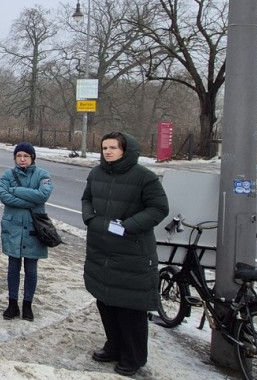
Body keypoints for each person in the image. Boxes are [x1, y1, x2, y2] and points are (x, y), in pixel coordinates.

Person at [82, 132, 168, 377]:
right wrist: (89, 217)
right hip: (101, 248)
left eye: (113, 148)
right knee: (105, 301)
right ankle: (114, 346)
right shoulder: (96, 173)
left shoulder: (145, 177)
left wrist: (128, 226)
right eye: (104, 148)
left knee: (130, 307)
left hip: (132, 252)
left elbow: (159, 208)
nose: (107, 152)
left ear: (126, 150)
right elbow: (86, 199)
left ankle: (133, 356)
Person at [0, 142, 54, 321]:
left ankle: (27, 304)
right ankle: (12, 303)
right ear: (14, 158)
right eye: (19, 156)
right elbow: (4, 196)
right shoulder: (7, 174)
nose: (22, 159)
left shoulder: (43, 175)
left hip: (33, 228)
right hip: (12, 227)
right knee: (13, 267)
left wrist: (16, 191)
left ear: (32, 158)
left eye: (26, 156)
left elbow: (42, 196)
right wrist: (30, 198)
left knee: (31, 268)